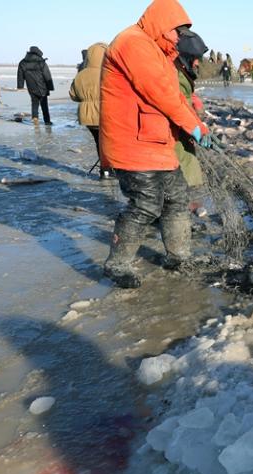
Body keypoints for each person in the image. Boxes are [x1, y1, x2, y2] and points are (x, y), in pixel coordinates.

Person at [99, 0, 209, 289]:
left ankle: (179, 257)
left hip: (156, 141)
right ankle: (117, 264)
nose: (178, 39)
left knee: (177, 198)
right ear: (163, 25)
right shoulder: (133, 43)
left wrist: (197, 126)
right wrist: (193, 127)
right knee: (146, 204)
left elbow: (177, 97)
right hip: (132, 143)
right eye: (177, 33)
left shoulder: (159, 51)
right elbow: (161, 93)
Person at [69, 43, 113, 179]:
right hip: (106, 114)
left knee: (99, 142)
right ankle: (109, 169)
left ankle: (105, 170)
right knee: (110, 143)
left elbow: (73, 95)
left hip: (87, 117)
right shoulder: (109, 72)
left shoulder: (81, 75)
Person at [174, 28, 208, 190]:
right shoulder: (175, 74)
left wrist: (197, 104)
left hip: (185, 129)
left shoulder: (182, 72)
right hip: (176, 133)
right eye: (195, 58)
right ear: (186, 56)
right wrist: (197, 129)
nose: (197, 63)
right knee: (183, 173)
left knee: (189, 168)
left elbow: (187, 96)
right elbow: (176, 105)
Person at [17, 46, 54, 125]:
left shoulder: (23, 62)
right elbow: (47, 75)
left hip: (31, 86)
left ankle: (35, 118)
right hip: (42, 86)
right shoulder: (41, 61)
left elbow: (20, 75)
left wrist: (20, 85)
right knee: (44, 104)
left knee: (34, 102)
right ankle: (47, 121)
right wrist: (50, 86)